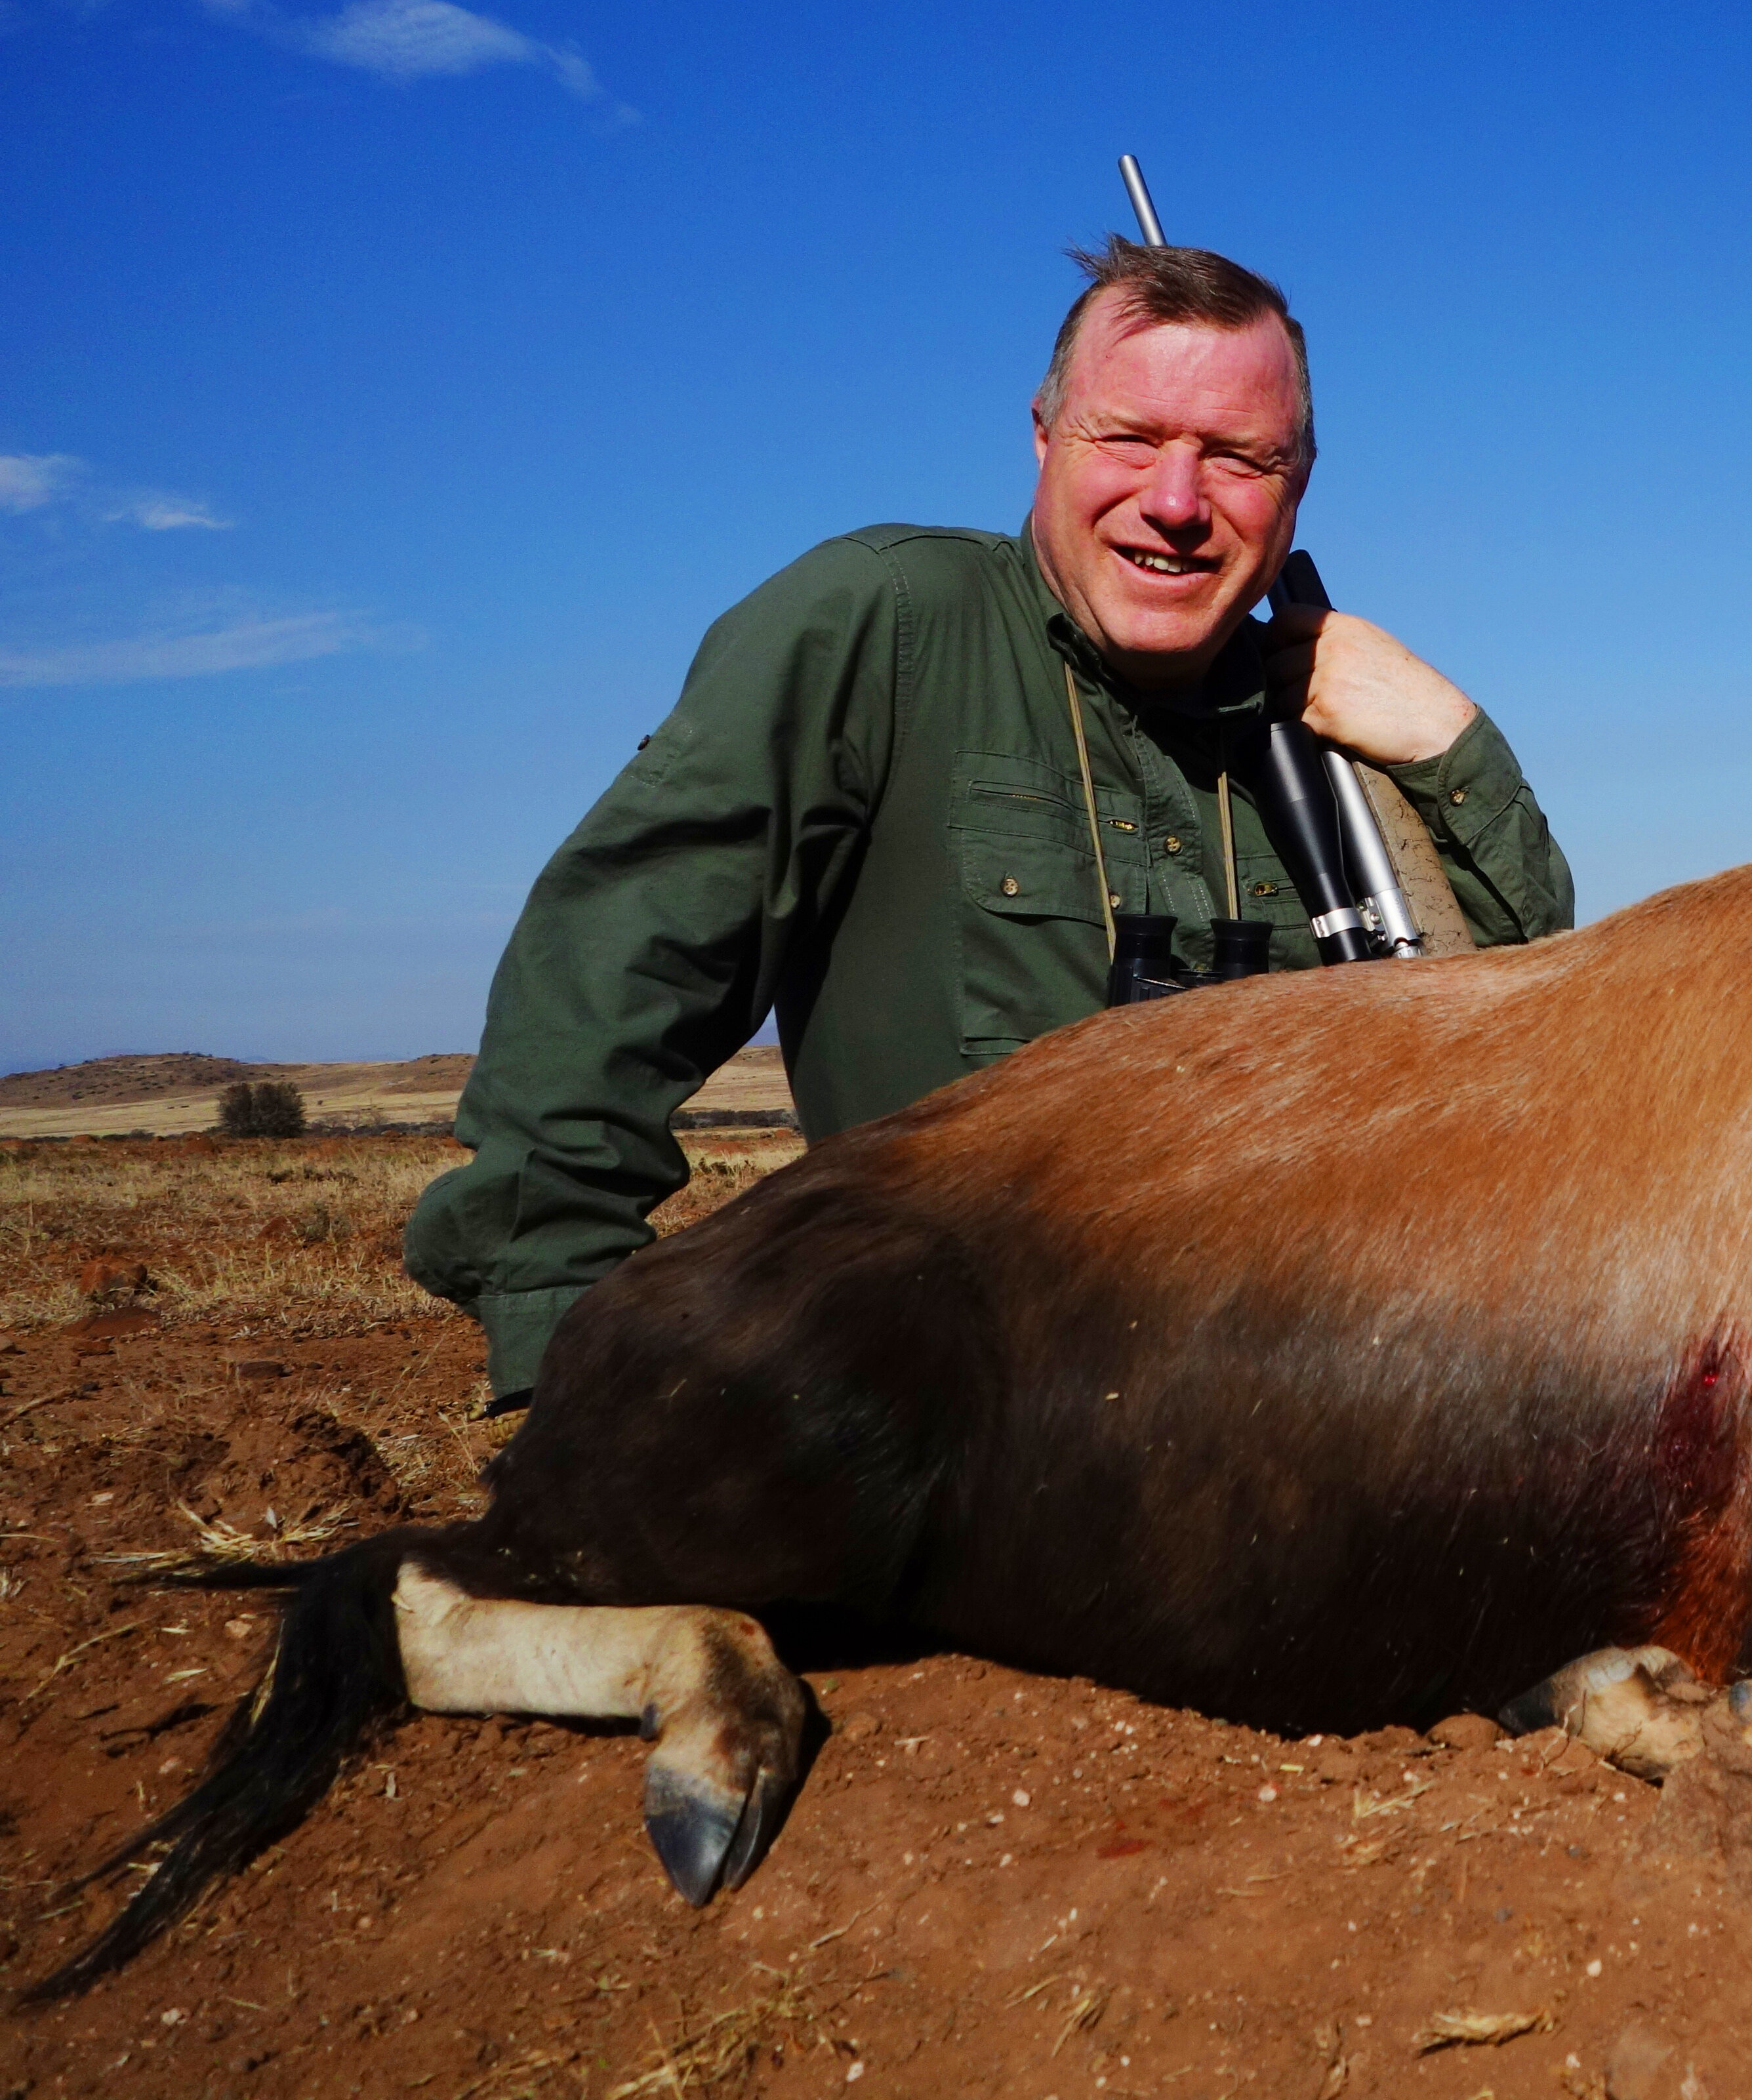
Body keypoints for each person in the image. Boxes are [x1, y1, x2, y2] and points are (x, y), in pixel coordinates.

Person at [405, 241, 1574, 1402]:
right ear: (1042, 435)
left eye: (1237, 457)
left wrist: (1445, 739)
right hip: (947, 1417)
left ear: (1300, 483)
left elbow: (1515, 1044)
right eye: (1129, 437)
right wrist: (569, 1360)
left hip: (1283, 1424)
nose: (1175, 503)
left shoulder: (1324, 720)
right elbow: (614, 981)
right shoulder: (883, 622)